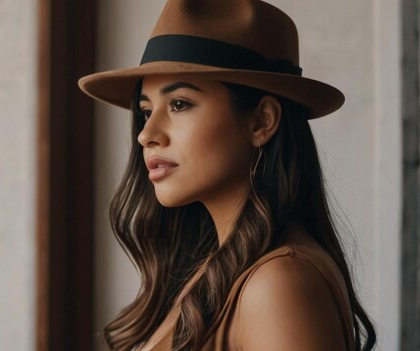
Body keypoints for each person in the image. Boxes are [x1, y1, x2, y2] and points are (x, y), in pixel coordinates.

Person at [78, 0, 376, 350]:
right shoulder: (217, 270)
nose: (147, 134)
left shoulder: (279, 282)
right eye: (146, 111)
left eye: (179, 104)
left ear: (262, 121)